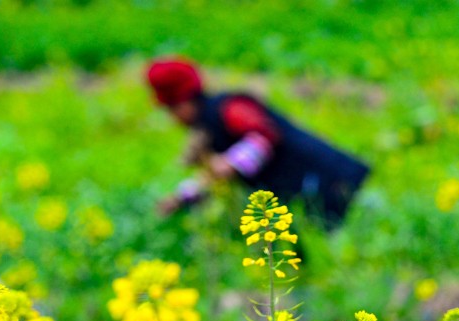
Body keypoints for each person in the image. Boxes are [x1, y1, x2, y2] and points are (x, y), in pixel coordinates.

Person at [147, 58, 370, 228]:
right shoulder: (207, 127)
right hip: (310, 197)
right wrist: (182, 198)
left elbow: (263, 137)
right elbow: (214, 177)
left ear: (184, 101)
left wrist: (231, 163)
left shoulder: (229, 108)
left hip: (333, 180)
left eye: (171, 109)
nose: (172, 118)